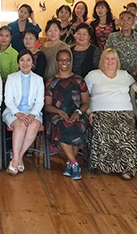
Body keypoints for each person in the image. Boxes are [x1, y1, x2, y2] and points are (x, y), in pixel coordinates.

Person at [84, 48, 137, 180]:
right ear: (101, 61)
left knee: (126, 131)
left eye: (113, 59)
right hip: (100, 110)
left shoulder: (124, 75)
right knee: (104, 127)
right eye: (107, 59)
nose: (110, 62)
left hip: (124, 110)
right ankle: (105, 165)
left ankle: (127, 167)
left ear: (117, 61)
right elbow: (84, 96)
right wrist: (88, 112)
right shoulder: (93, 75)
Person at [44, 49, 90, 180]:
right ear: (57, 62)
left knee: (78, 125)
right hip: (56, 114)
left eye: (67, 60)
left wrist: (78, 112)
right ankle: (74, 163)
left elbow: (86, 102)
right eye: (61, 60)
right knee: (62, 125)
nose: (64, 62)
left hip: (77, 113)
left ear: (70, 62)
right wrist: (59, 111)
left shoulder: (79, 80)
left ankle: (71, 163)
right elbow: (47, 105)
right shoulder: (51, 82)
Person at [3, 50, 45, 175]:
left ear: (32, 63)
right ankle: (17, 158)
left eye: (28, 60)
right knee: (20, 125)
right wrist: (18, 114)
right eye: (22, 60)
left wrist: (32, 115)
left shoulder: (38, 79)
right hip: (13, 111)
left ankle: (18, 157)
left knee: (33, 126)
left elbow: (40, 102)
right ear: (18, 63)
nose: (25, 63)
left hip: (33, 112)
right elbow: (8, 100)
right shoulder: (11, 78)